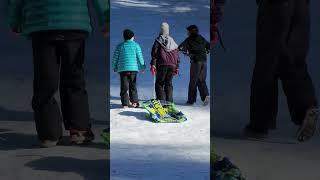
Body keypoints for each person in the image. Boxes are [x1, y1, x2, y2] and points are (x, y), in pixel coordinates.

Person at [7, 0, 109, 147]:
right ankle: (79, 130)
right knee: (74, 79)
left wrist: (14, 18)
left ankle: (49, 134)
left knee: (45, 81)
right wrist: (106, 17)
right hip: (73, 21)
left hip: (42, 22)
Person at [246, 0, 319, 141]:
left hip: (275, 6)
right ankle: (306, 107)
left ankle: (260, 124)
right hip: (302, 6)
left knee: (267, 63)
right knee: (294, 59)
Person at [112, 29, 145, 108]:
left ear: (124, 37)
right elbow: (140, 57)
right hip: (133, 69)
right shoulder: (136, 45)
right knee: (133, 86)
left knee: (124, 87)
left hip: (123, 70)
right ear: (133, 37)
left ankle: (125, 103)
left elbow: (115, 58)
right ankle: (134, 102)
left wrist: (114, 67)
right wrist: (142, 66)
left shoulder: (120, 46)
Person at [179, 25, 210, 106]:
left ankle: (191, 101)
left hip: (196, 62)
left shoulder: (189, 40)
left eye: (188, 31)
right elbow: (209, 46)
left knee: (193, 81)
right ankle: (206, 96)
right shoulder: (201, 38)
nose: (187, 33)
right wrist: (206, 51)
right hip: (204, 61)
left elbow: (181, 48)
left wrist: (188, 54)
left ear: (191, 32)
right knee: (201, 80)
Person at [151, 22, 180, 102]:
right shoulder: (173, 41)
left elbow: (155, 54)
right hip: (172, 66)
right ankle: (169, 102)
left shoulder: (158, 40)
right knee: (168, 84)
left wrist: (153, 64)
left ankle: (161, 101)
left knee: (159, 83)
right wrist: (177, 67)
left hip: (162, 65)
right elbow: (177, 55)